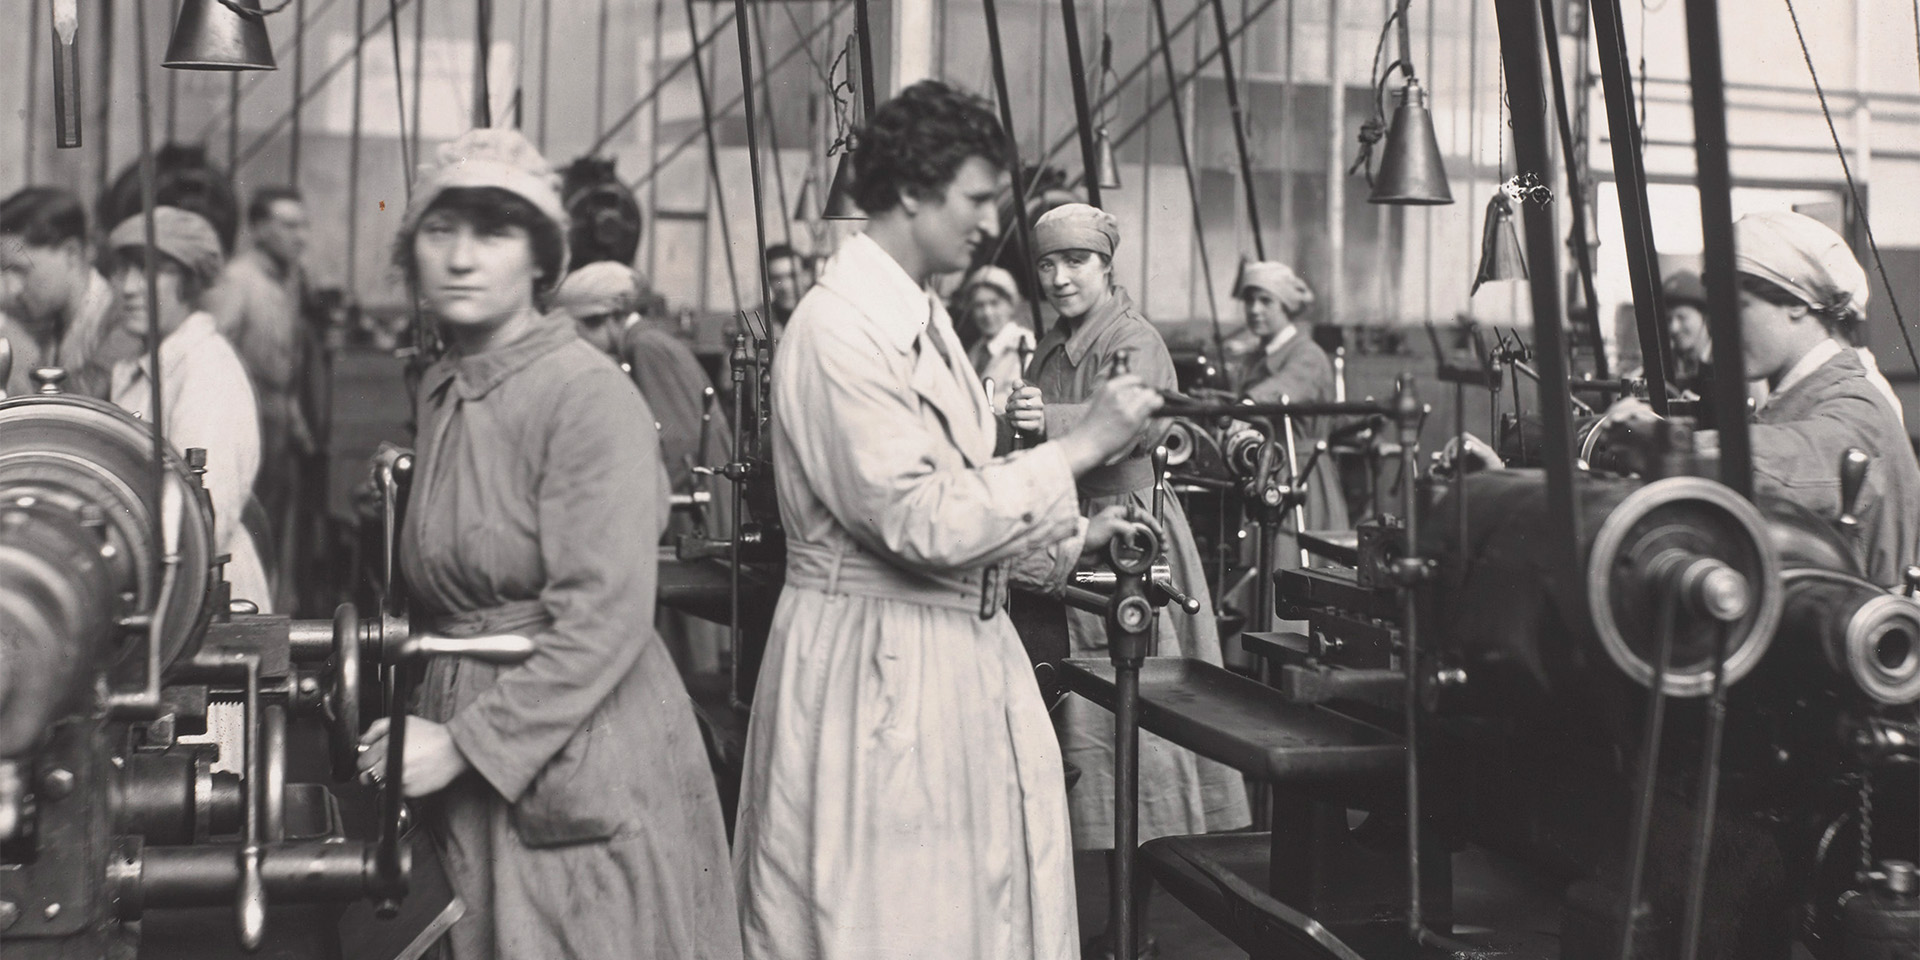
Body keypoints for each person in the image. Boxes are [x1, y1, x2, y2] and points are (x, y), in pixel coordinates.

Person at [732, 80, 1168, 960]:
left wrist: (1068, 538)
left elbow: (957, 485)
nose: (989, 223)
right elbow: (917, 520)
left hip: (942, 649)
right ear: (911, 192)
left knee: (960, 918)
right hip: (876, 663)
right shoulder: (841, 330)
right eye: (976, 199)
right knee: (888, 924)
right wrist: (1084, 446)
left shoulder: (921, 317)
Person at [353, 128, 740, 960]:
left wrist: (464, 743)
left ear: (541, 258)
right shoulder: (446, 386)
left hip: (578, 748)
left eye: (493, 232)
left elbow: (604, 619)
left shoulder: (585, 395)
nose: (461, 258)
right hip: (473, 730)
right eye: (439, 231)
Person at [1007, 202, 1251, 959]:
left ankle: (1132, 927)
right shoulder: (1052, 346)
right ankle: (1091, 920)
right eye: (1047, 264)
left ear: (1106, 266)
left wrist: (1043, 420)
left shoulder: (1132, 339)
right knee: (1080, 731)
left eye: (1075, 261)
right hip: (1066, 528)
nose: (1060, 278)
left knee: (1134, 735)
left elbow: (1137, 425)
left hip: (1127, 534)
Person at [1470, 213, 1920, 585]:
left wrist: (1663, 442)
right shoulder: (1797, 398)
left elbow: (1785, 462)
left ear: (1798, 303)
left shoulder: (1857, 408)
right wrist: (1514, 485)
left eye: (1737, 307)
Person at [553, 261, 734, 673]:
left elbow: (677, 440)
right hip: (694, 480)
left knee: (688, 624)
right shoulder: (647, 341)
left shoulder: (646, 347)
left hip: (694, 491)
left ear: (604, 319)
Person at [103, 206, 271, 612]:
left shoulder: (206, 370)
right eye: (123, 270)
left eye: (150, 271)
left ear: (191, 280)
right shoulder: (137, 369)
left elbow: (200, 525)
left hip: (204, 601)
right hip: (157, 589)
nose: (129, 287)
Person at [204, 186, 317, 611]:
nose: (300, 236)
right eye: (288, 225)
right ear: (258, 228)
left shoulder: (289, 278)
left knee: (272, 525)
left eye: (303, 225)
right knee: (247, 525)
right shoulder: (238, 279)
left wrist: (295, 418)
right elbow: (214, 347)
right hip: (247, 419)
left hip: (278, 418)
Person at [1231, 260, 1350, 560]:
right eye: (1249, 300)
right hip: (1266, 470)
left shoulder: (1308, 355)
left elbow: (1286, 387)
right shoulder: (1256, 357)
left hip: (1301, 474)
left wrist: (1246, 406)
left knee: (1291, 562)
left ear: (1285, 305)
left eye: (1265, 301)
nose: (1254, 309)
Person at [0, 187, 140, 398]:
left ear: (71, 253)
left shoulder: (123, 319)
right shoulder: (46, 321)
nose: (12, 288)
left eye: (21, 270)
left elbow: (81, 403)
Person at [958, 264, 1035, 411]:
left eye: (994, 303)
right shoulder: (977, 349)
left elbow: (1014, 398)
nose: (987, 313)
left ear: (1011, 305)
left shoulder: (1024, 343)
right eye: (979, 305)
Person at [763, 242, 814, 339]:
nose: (785, 286)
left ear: (807, 276)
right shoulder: (758, 323)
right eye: (776, 278)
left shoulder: (824, 315)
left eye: (792, 276)